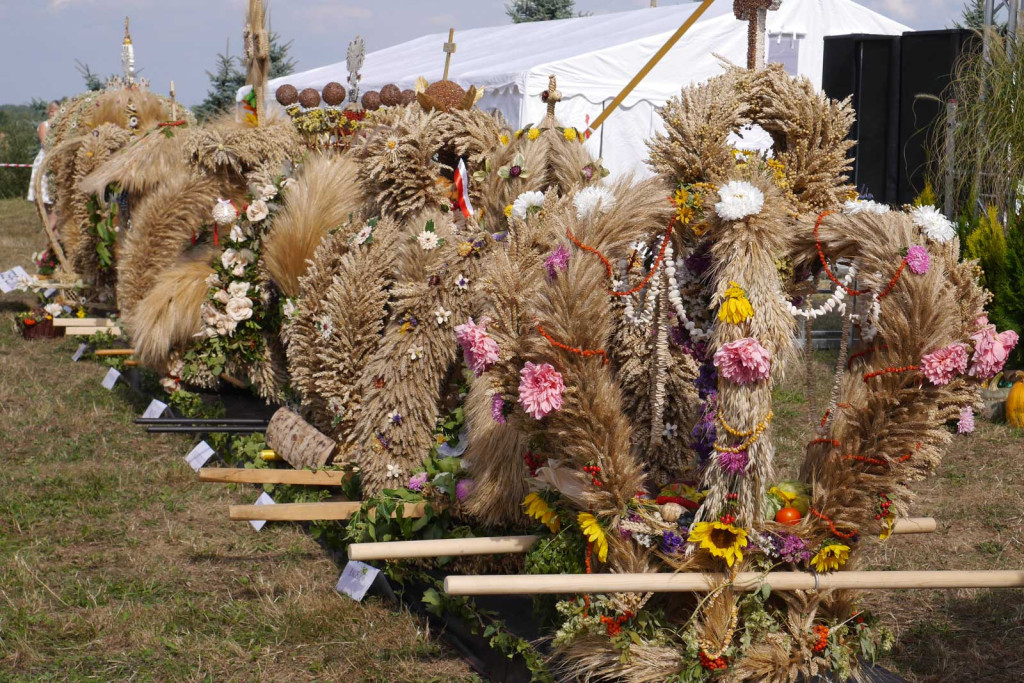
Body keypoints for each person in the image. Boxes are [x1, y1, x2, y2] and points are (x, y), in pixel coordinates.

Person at [27, 101, 59, 232]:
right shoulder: (44, 126)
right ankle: (49, 230)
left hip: (58, 162)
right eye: (56, 111)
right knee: (46, 198)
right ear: (50, 112)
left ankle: (54, 232)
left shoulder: (63, 126)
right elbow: (46, 144)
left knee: (56, 200)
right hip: (46, 163)